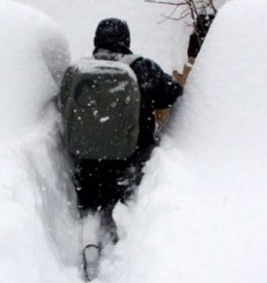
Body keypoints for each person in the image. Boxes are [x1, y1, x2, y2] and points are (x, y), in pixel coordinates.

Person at [70, 17, 183, 235]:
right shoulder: (144, 69)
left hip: (89, 165)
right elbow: (174, 94)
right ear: (126, 40)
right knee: (126, 206)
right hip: (130, 161)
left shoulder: (79, 73)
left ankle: (90, 235)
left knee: (92, 203)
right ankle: (124, 245)